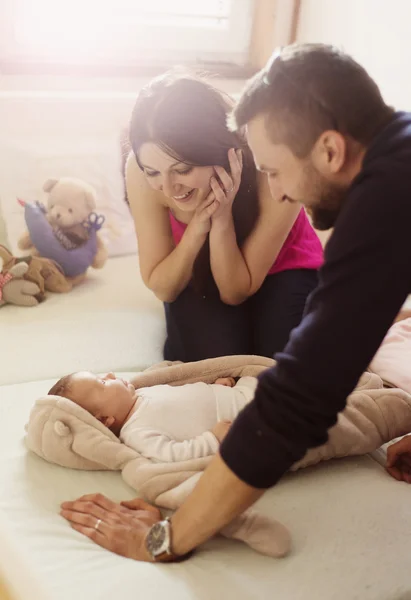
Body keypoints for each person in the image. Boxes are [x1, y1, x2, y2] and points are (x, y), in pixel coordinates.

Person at [61, 43, 411, 562]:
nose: (277, 192)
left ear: (330, 151)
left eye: (273, 170)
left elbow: (297, 403)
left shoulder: (383, 207)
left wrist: (167, 538)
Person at [125, 71, 323, 361]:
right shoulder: (139, 172)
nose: (168, 188)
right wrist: (196, 230)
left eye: (182, 170)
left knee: (281, 363)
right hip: (198, 268)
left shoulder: (279, 160)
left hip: (283, 267)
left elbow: (235, 291)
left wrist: (221, 219)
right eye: (153, 172)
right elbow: (163, 287)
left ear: (223, 153)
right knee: (220, 366)